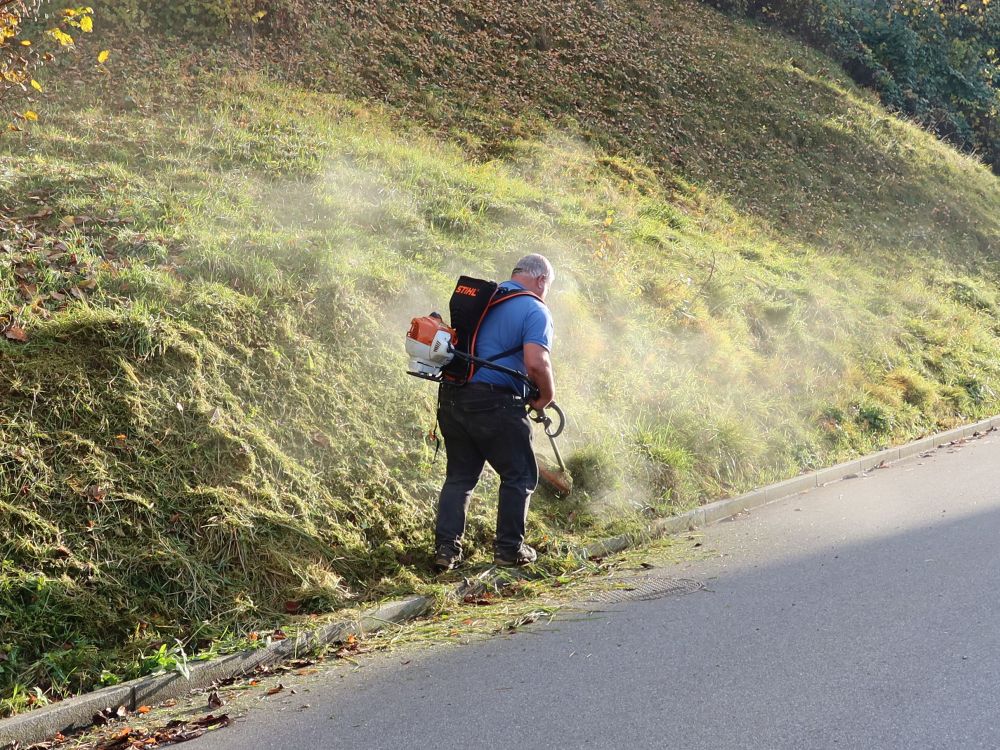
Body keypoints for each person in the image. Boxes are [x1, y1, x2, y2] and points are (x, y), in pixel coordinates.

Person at [434, 254, 556, 570]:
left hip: (452, 398)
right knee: (519, 474)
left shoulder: (486, 299)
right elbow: (535, 362)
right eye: (547, 287)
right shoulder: (534, 308)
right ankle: (509, 550)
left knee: (460, 477)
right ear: (541, 280)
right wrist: (547, 395)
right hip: (495, 403)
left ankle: (446, 551)